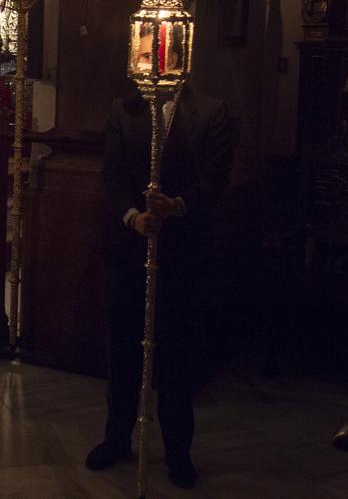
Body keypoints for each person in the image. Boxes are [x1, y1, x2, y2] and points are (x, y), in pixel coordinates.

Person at [86, 83, 234, 489]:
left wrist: (177, 207)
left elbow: (216, 178)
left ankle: (177, 452)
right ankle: (116, 438)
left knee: (175, 357)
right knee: (123, 351)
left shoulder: (209, 110)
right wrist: (134, 216)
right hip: (130, 253)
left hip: (183, 256)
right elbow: (113, 174)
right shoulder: (124, 108)